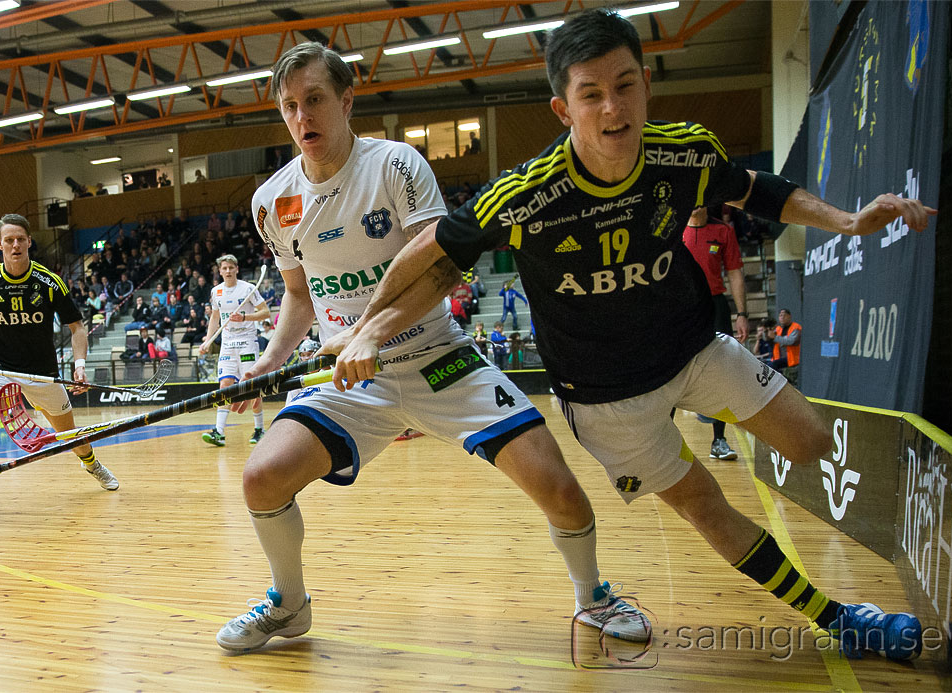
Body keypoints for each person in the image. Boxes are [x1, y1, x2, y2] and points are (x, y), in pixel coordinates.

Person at [329, 10, 936, 663]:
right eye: (592, 94)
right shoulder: (525, 196)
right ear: (564, 109)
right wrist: (369, 328)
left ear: (647, 84)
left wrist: (846, 221)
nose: (612, 107)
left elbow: (757, 189)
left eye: (625, 85)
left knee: (813, 441)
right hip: (605, 396)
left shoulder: (685, 150)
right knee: (703, 504)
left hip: (691, 346)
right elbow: (430, 256)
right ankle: (839, 616)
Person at [214, 42, 647, 654]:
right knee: (261, 477)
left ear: (346, 101)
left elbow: (438, 269)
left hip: (439, 358)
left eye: (314, 100)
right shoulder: (272, 202)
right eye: (290, 107)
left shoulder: (395, 166)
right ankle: (289, 605)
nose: (303, 117)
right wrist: (268, 362)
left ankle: (593, 597)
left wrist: (371, 332)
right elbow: (298, 295)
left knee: (560, 490)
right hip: (351, 379)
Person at [0, 213, 118, 519]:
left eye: (20, 239)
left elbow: (77, 328)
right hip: (0, 370)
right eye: (8, 240)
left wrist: (79, 366)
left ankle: (92, 464)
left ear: (29, 242)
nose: (15, 246)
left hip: (43, 374)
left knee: (70, 434)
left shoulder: (49, 282)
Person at [682, 206, 747, 461]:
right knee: (671, 371)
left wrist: (742, 313)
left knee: (721, 371)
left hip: (715, 304)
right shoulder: (672, 230)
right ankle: (664, 446)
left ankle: (718, 440)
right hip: (680, 306)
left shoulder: (723, 231)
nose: (696, 204)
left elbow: (734, 272)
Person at [198, 255, 271, 446]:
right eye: (224, 268)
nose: (228, 271)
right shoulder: (216, 292)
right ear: (219, 271)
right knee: (225, 386)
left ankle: (259, 429)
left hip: (247, 342)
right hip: (228, 344)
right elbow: (215, 317)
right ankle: (218, 432)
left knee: (252, 388)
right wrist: (208, 339)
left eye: (231, 267)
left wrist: (245, 317)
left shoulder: (247, 289)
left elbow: (266, 313)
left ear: (237, 269)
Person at [770, 308, 802, 382]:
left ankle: (787, 381)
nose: (782, 317)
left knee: (773, 365)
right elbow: (769, 338)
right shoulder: (778, 329)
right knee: (769, 366)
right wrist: (766, 332)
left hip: (792, 358)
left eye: (784, 315)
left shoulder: (796, 327)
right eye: (780, 315)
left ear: (789, 316)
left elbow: (790, 341)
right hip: (779, 357)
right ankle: (786, 381)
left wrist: (775, 337)